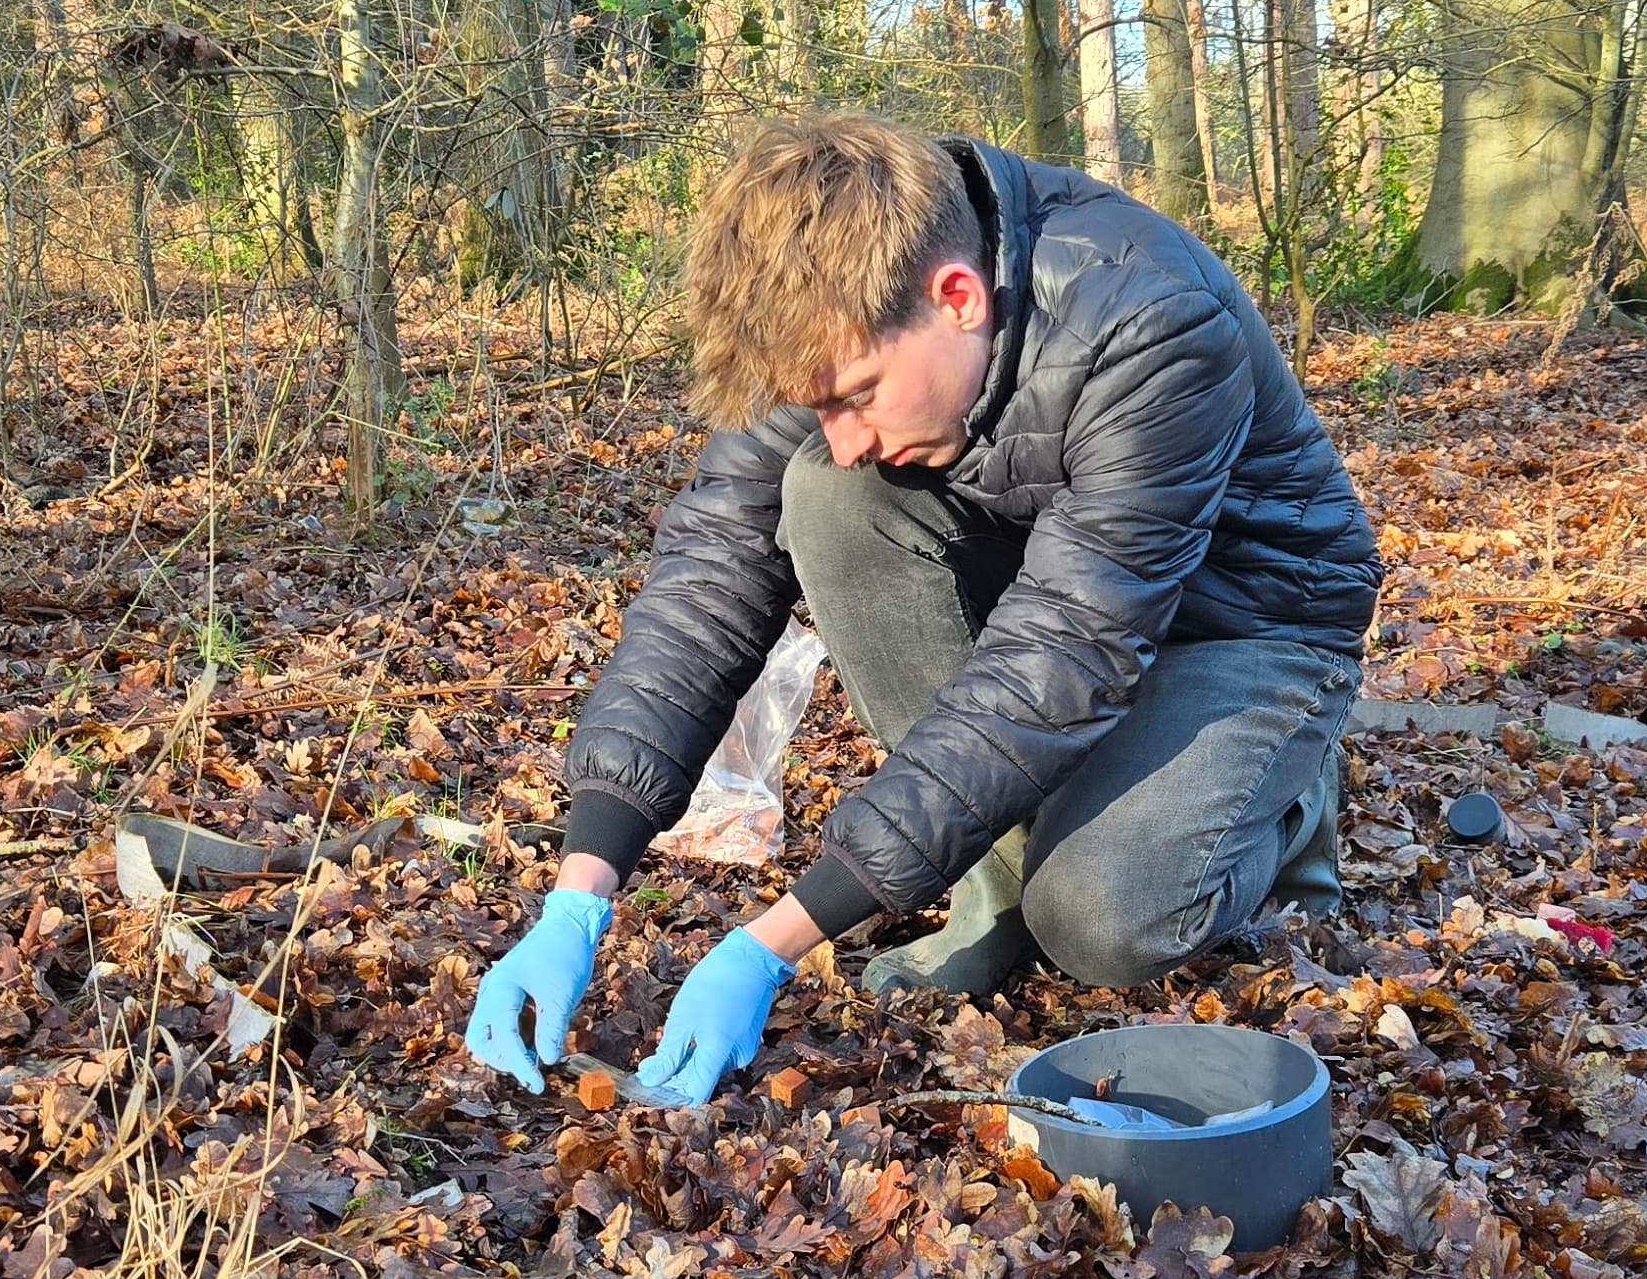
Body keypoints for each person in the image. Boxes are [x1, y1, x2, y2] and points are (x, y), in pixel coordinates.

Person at [465, 111, 1380, 1108]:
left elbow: (1067, 653)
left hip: (1245, 622)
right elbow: (708, 581)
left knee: (1101, 921)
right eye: (820, 404)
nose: (844, 433)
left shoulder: (1149, 320)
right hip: (1046, 592)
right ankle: (996, 889)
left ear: (957, 298)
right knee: (826, 494)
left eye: (859, 395)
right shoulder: (827, 304)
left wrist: (772, 943)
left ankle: (1287, 799)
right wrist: (578, 894)